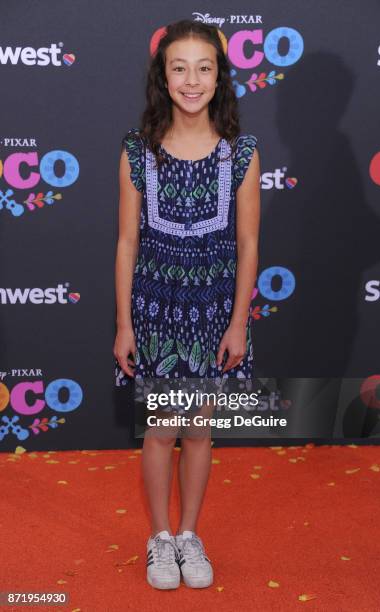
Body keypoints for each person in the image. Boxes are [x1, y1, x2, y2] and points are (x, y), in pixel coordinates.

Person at [113, 19, 261, 590]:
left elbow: (248, 244)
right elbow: (127, 243)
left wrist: (239, 322)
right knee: (160, 430)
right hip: (155, 310)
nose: (192, 80)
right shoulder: (136, 150)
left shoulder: (241, 153)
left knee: (199, 430)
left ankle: (190, 535)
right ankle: (158, 537)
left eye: (204, 67)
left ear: (220, 76)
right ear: (163, 76)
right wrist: (124, 323)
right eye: (180, 68)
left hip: (214, 311)